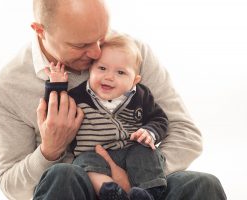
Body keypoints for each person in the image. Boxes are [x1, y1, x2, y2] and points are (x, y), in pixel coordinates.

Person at [0, 0, 227, 199]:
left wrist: (134, 179)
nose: (97, 53)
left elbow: (186, 134)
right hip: (77, 189)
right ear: (40, 30)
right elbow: (11, 185)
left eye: (101, 37)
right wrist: (50, 150)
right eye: (81, 45)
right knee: (62, 176)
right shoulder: (7, 87)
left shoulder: (131, 53)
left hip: (143, 187)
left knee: (203, 185)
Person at [43, 33, 168, 200]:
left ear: (135, 80)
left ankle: (148, 194)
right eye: (102, 68)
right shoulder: (78, 96)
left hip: (131, 149)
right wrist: (57, 85)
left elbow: (159, 119)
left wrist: (149, 132)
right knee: (84, 163)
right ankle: (110, 191)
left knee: (147, 153)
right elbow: (57, 110)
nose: (109, 77)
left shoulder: (141, 96)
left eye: (121, 72)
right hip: (94, 153)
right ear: (90, 70)